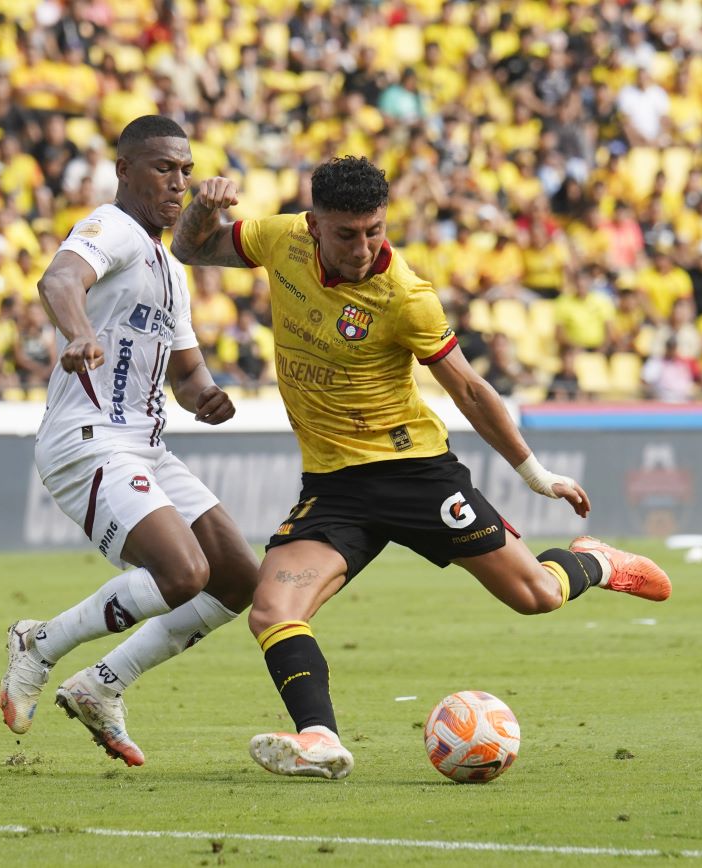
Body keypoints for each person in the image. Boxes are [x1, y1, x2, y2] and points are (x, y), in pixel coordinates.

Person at [159, 156, 671, 780]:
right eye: (347, 233)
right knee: (271, 610)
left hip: (415, 474)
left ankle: (597, 560)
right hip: (335, 486)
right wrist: (204, 210)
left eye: (375, 229)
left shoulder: (405, 295)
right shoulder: (279, 239)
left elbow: (471, 391)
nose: (365, 246)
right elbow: (192, 250)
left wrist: (537, 474)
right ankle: (320, 739)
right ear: (314, 224)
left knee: (535, 596)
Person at [0, 115, 259, 768]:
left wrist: (208, 398)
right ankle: (41, 645)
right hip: (87, 441)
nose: (178, 182)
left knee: (236, 579)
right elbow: (59, 281)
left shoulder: (171, 270)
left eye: (186, 171)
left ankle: (101, 686)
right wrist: (80, 332)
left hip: (146, 447)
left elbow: (187, 373)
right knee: (182, 573)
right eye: (163, 168)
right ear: (125, 170)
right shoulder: (110, 228)